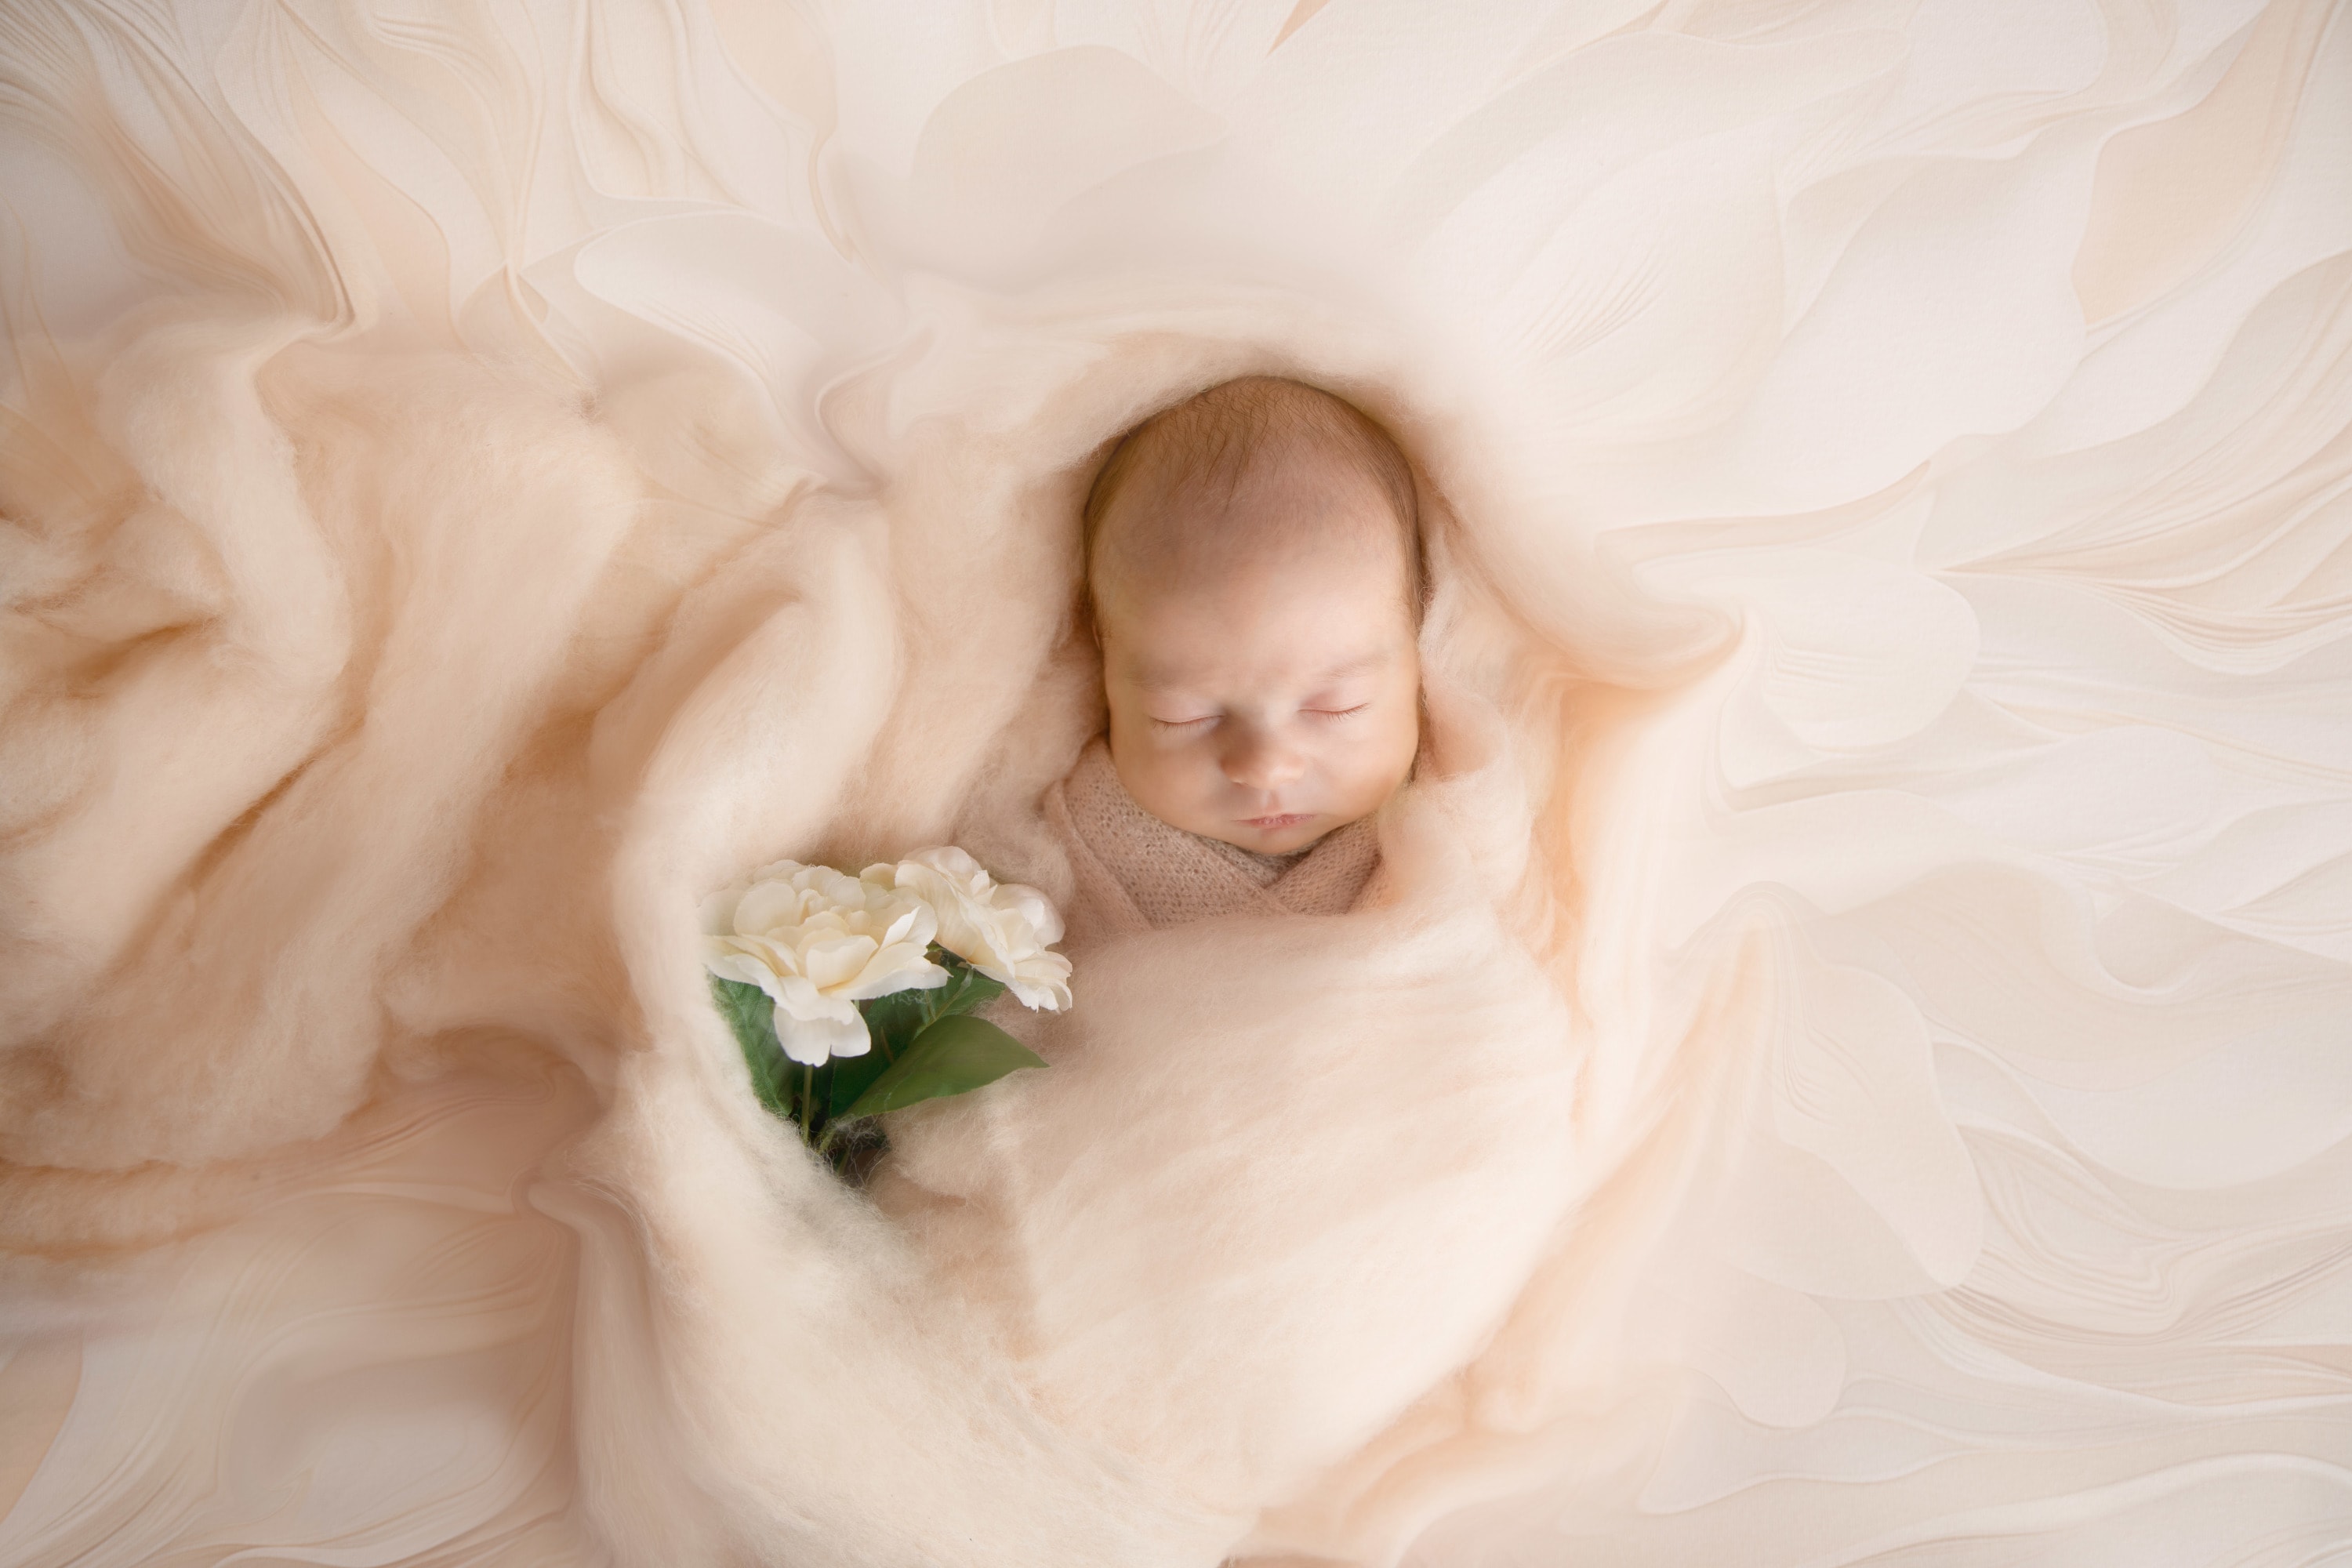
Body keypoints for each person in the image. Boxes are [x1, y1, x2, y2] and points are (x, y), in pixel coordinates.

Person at [1047, 374, 1428, 938]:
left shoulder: (1454, 824)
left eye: (1338, 707)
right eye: (1183, 715)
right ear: (1101, 651)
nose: (1267, 766)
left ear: (1421, 644)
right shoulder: (1054, 853)